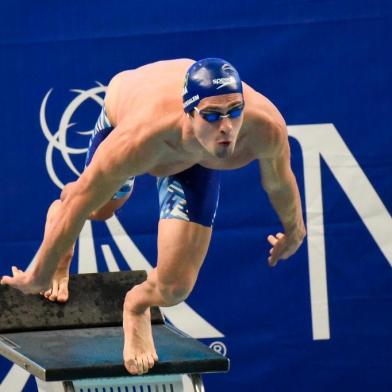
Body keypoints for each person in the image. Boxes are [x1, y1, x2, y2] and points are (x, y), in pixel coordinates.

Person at [0, 58, 306, 375]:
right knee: (99, 209)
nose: (226, 127)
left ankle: (136, 306)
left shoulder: (264, 127)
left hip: (193, 158)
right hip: (130, 119)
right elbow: (80, 199)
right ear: (189, 112)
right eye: (212, 116)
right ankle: (58, 229)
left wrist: (295, 231)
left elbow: (279, 183)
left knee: (176, 287)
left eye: (234, 111)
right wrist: (41, 272)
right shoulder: (138, 138)